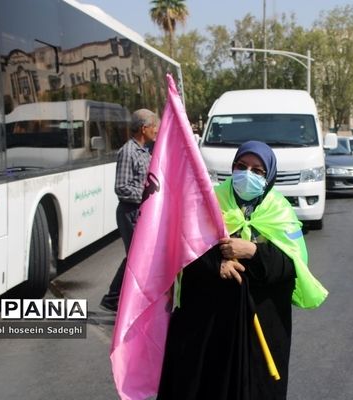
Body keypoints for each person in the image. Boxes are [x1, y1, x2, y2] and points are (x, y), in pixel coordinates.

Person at [157, 141, 328, 400]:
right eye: (242, 166)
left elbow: (292, 266)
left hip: (261, 326)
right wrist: (218, 263)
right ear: (233, 167)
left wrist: (253, 252)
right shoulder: (209, 203)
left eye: (258, 170)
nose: (248, 174)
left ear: (269, 175)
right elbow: (184, 251)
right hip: (211, 322)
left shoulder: (280, 211)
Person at [100, 109, 159, 312]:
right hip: (130, 212)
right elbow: (122, 187)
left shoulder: (145, 150)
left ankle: (123, 297)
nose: (156, 130)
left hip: (141, 212)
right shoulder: (128, 152)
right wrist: (145, 195)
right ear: (144, 128)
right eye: (154, 126)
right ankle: (113, 298)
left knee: (138, 256)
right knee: (135, 257)